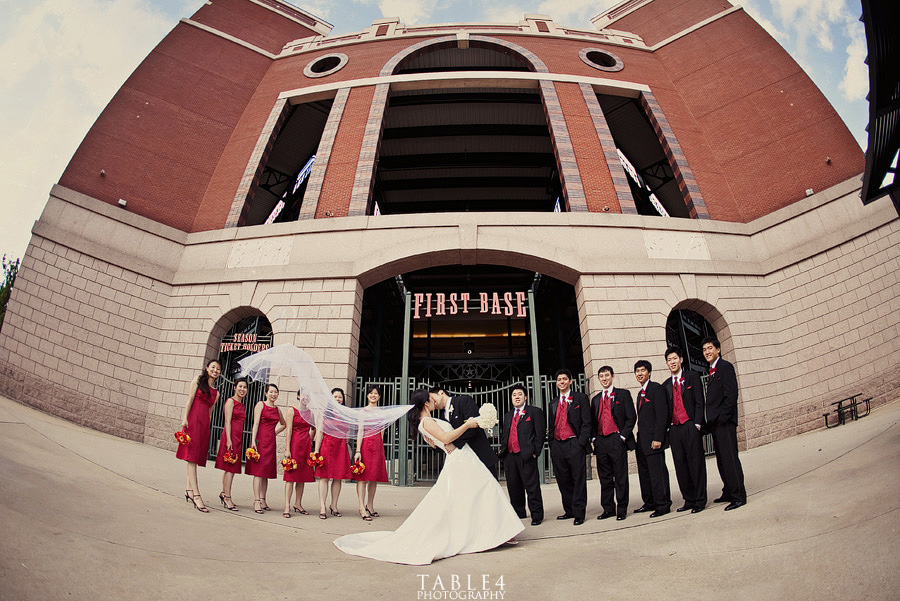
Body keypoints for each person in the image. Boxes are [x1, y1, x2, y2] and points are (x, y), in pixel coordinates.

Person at [333, 389, 523, 565]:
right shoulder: (427, 422)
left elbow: (438, 441)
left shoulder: (427, 422)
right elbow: (446, 439)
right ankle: (492, 533)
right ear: (425, 403)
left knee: (479, 495)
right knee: (485, 491)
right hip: (460, 460)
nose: (434, 401)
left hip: (465, 458)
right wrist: (468, 424)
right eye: (430, 399)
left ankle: (493, 532)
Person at [701, 336, 747, 511]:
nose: (707, 352)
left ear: (718, 349)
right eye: (704, 349)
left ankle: (738, 496)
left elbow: (731, 395)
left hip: (725, 423)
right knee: (721, 460)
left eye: (710, 348)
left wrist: (722, 418)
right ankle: (728, 490)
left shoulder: (725, 367)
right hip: (716, 425)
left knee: (730, 459)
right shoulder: (712, 370)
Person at [663, 346, 708, 513]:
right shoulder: (666, 385)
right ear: (667, 363)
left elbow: (699, 402)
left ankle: (700, 500)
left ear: (681, 359)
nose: (672, 362)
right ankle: (688, 499)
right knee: (680, 465)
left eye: (675, 358)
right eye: (669, 360)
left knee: (696, 463)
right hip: (675, 429)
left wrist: (697, 424)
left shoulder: (692, 377)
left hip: (690, 425)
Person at [589, 365, 636, 521]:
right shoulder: (595, 400)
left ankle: (621, 508)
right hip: (601, 442)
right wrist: (594, 438)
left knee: (620, 476)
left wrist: (622, 436)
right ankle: (608, 508)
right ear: (598, 379)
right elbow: (592, 422)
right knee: (605, 478)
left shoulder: (623, 394)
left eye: (607, 375)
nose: (604, 378)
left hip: (617, 439)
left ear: (612, 376)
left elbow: (631, 417)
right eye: (601, 376)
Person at [547, 368, 591, 525]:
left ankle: (579, 512)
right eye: (559, 380)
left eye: (564, 379)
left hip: (574, 442)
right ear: (556, 383)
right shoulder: (553, 403)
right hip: (558, 445)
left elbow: (587, 423)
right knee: (563, 479)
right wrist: (552, 444)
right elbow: (551, 426)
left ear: (570, 381)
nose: (562, 382)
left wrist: (581, 443)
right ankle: (569, 510)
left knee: (578, 478)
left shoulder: (580, 398)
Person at [176, 359, 221, 513]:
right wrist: (185, 419)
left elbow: (210, 412)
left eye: (218, 369)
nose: (215, 370)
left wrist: (206, 429)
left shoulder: (216, 393)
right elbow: (190, 400)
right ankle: (196, 494)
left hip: (204, 426)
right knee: (191, 458)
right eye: (213, 367)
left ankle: (188, 490)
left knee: (195, 456)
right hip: (193, 421)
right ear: (207, 368)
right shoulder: (197, 380)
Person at [498, 384, 545, 525]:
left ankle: (537, 515)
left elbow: (540, 434)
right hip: (510, 456)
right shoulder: (507, 415)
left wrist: (535, 452)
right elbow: (505, 434)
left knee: (532, 486)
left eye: (519, 394)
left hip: (527, 455)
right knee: (514, 486)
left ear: (525, 397)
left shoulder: (534, 412)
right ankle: (519, 512)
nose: (517, 397)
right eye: (514, 395)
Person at [633, 360, 672, 517]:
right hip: (642, 441)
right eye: (637, 371)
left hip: (654, 440)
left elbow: (662, 415)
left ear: (649, 372)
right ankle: (649, 502)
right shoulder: (640, 393)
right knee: (645, 474)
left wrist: (658, 437)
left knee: (658, 474)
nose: (640, 373)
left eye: (643, 370)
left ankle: (663, 504)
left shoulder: (656, 389)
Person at [428, 386, 497, 473]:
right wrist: (435, 446)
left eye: (432, 398)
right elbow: (446, 438)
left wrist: (455, 444)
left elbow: (473, 427)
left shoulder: (464, 401)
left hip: (479, 454)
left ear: (441, 393)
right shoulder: (442, 416)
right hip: (461, 461)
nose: (432, 402)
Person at [247, 383, 287, 514]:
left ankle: (263, 499)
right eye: (271, 392)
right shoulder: (261, 405)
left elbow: (283, 424)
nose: (273, 394)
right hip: (260, 440)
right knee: (258, 471)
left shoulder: (277, 409)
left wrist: (274, 433)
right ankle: (256, 500)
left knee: (266, 472)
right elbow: (256, 422)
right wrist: (253, 440)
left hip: (271, 441)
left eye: (276, 392)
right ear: (266, 393)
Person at [313, 387, 352, 519]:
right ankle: (322, 506)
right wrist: (316, 450)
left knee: (338, 477)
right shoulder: (323, 413)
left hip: (341, 447)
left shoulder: (345, 414)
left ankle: (334, 505)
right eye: (335, 396)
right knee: (324, 477)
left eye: (340, 397)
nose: (338, 399)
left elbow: (347, 432)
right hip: (327, 446)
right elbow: (318, 432)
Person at [354, 384, 390, 521]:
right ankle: (361, 507)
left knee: (374, 477)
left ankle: (370, 505)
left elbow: (382, 431)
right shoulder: (363, 412)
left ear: (379, 396)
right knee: (363, 477)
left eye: (376, 393)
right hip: (365, 445)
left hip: (377, 446)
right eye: (371, 393)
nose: (373, 395)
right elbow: (360, 431)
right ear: (367, 395)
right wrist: (358, 450)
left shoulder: (382, 412)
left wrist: (380, 447)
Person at [213, 376, 248, 511]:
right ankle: (227, 497)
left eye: (244, 387)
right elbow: (227, 421)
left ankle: (224, 493)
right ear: (235, 387)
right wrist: (228, 439)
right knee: (229, 468)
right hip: (230, 437)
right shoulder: (230, 402)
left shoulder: (242, 404)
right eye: (240, 386)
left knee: (231, 469)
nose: (242, 389)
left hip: (238, 438)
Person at [282, 389, 315, 518]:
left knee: (302, 477)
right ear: (298, 396)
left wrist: (310, 440)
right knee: (291, 477)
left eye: (308, 396)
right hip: (294, 445)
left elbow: (314, 428)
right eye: (303, 395)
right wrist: (287, 449)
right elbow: (288, 430)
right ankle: (286, 505)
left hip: (306, 446)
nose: (305, 398)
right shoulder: (292, 411)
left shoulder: (310, 413)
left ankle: (298, 503)